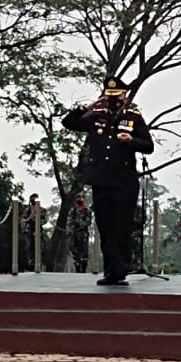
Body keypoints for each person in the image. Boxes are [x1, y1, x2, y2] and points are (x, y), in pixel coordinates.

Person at [61, 76, 154, 285]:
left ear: (125, 97)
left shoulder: (133, 118)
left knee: (122, 228)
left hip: (124, 181)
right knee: (105, 227)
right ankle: (110, 271)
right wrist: (89, 106)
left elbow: (148, 145)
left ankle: (120, 271)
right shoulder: (96, 116)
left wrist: (131, 141)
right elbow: (68, 123)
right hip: (101, 180)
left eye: (117, 97)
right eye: (109, 97)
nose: (113, 101)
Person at [68, 194, 91, 273]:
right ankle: (77, 268)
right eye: (78, 197)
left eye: (81, 198)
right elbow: (69, 222)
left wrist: (79, 223)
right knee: (74, 250)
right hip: (74, 233)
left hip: (83, 233)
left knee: (84, 251)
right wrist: (69, 230)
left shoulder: (86, 210)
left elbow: (88, 222)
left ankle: (84, 268)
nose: (79, 199)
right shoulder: (73, 210)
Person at [22, 194, 44, 271]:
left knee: (39, 248)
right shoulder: (27, 210)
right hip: (29, 231)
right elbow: (24, 220)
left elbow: (45, 220)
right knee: (29, 247)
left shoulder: (42, 210)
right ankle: (30, 264)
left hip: (38, 231)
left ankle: (38, 264)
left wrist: (37, 218)